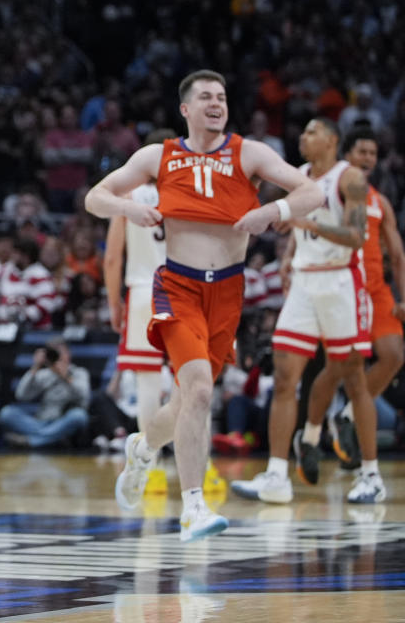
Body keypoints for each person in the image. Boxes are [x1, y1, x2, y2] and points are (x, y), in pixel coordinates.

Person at [85, 69, 323, 542]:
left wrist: (270, 212)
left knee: (187, 400)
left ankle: (142, 447)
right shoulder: (160, 155)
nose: (216, 102)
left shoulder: (248, 152)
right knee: (196, 391)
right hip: (179, 287)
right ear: (186, 109)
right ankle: (193, 506)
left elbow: (312, 192)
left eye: (222, 96)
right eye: (206, 97)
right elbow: (95, 197)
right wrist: (129, 208)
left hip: (228, 292)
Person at [232, 119, 382, 504]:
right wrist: (289, 255)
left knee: (354, 380)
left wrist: (303, 221)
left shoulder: (350, 179)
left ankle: (370, 475)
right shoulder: (297, 177)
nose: (302, 137)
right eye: (303, 132)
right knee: (284, 376)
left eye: (312, 132)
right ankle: (277, 475)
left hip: (341, 283)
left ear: (332, 140)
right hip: (303, 283)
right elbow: (297, 231)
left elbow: (356, 236)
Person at [327, 128, 405, 467]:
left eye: (373, 153)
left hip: (378, 288)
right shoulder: (333, 191)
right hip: (344, 284)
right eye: (362, 152)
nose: (369, 159)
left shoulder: (380, 201)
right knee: (348, 367)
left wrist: (402, 297)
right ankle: (327, 434)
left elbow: (398, 256)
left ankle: (346, 417)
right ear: (347, 155)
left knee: (393, 355)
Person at [102, 130, 173, 454]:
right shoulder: (191, 193)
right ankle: (204, 468)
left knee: (148, 382)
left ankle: (151, 466)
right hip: (186, 289)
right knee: (195, 382)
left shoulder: (128, 197)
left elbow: (113, 257)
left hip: (144, 290)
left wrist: (114, 303)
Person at [0, 339, 90, 448]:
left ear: (68, 354)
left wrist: (66, 377)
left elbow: (84, 397)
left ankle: (31, 441)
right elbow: (21, 395)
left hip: (64, 421)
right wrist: (35, 367)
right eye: (54, 353)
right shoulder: (45, 374)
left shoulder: (79, 373)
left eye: (60, 352)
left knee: (79, 416)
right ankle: (51, 438)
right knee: (6, 413)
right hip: (41, 422)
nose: (58, 357)